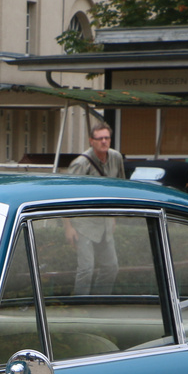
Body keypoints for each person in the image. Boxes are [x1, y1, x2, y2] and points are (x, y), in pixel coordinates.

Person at [63, 124, 126, 295]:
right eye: (100, 139)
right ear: (92, 141)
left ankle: (99, 302)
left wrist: (112, 216)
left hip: (104, 221)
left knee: (111, 267)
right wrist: (68, 227)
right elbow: (65, 196)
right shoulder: (81, 164)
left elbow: (119, 188)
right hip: (83, 223)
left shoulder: (116, 158)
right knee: (86, 268)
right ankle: (80, 307)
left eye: (107, 138)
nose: (104, 142)